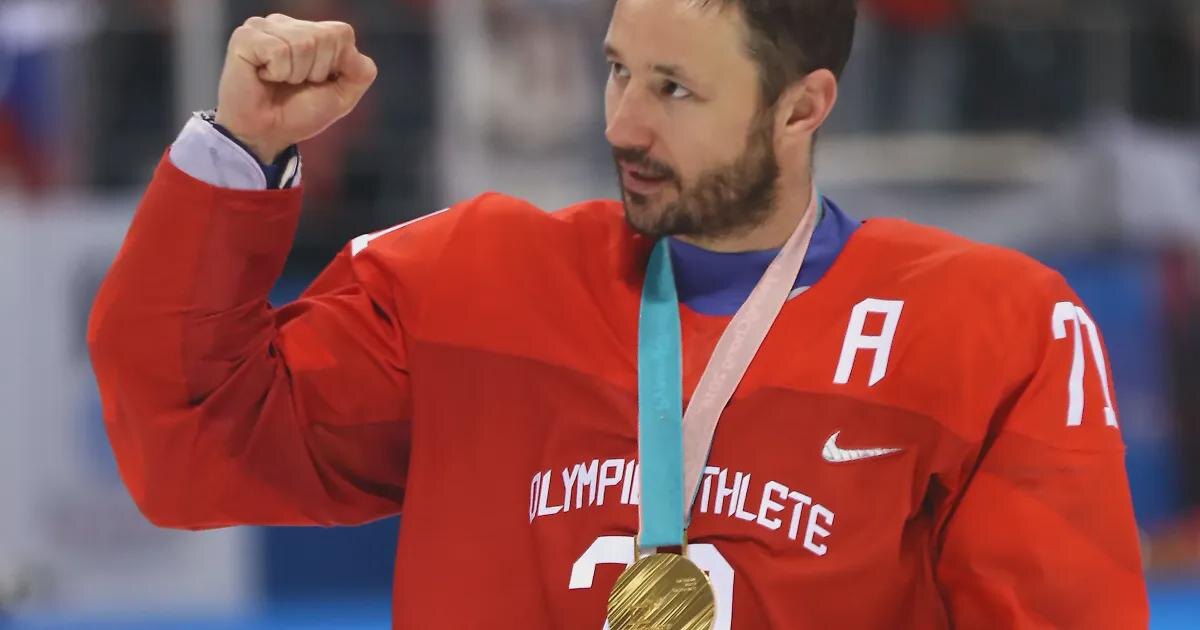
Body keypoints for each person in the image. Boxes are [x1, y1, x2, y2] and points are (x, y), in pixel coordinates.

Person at [87, 1, 1148, 627]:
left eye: (674, 90)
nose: (623, 123)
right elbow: (191, 441)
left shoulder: (987, 330)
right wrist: (242, 147)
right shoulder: (474, 281)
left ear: (802, 107)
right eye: (616, 70)